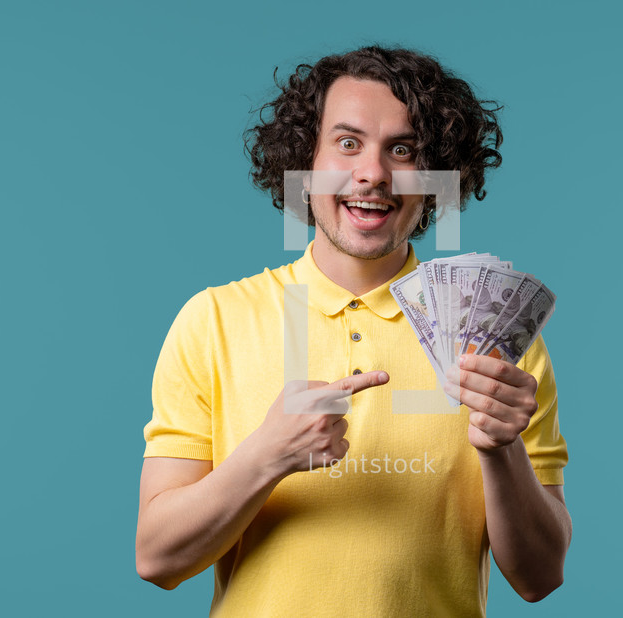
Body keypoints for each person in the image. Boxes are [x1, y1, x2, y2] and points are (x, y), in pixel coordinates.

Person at [136, 46, 571, 617]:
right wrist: (266, 456)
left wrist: (501, 448)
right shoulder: (213, 320)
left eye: (404, 149)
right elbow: (157, 560)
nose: (373, 173)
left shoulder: (492, 337)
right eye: (348, 143)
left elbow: (540, 578)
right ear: (305, 160)